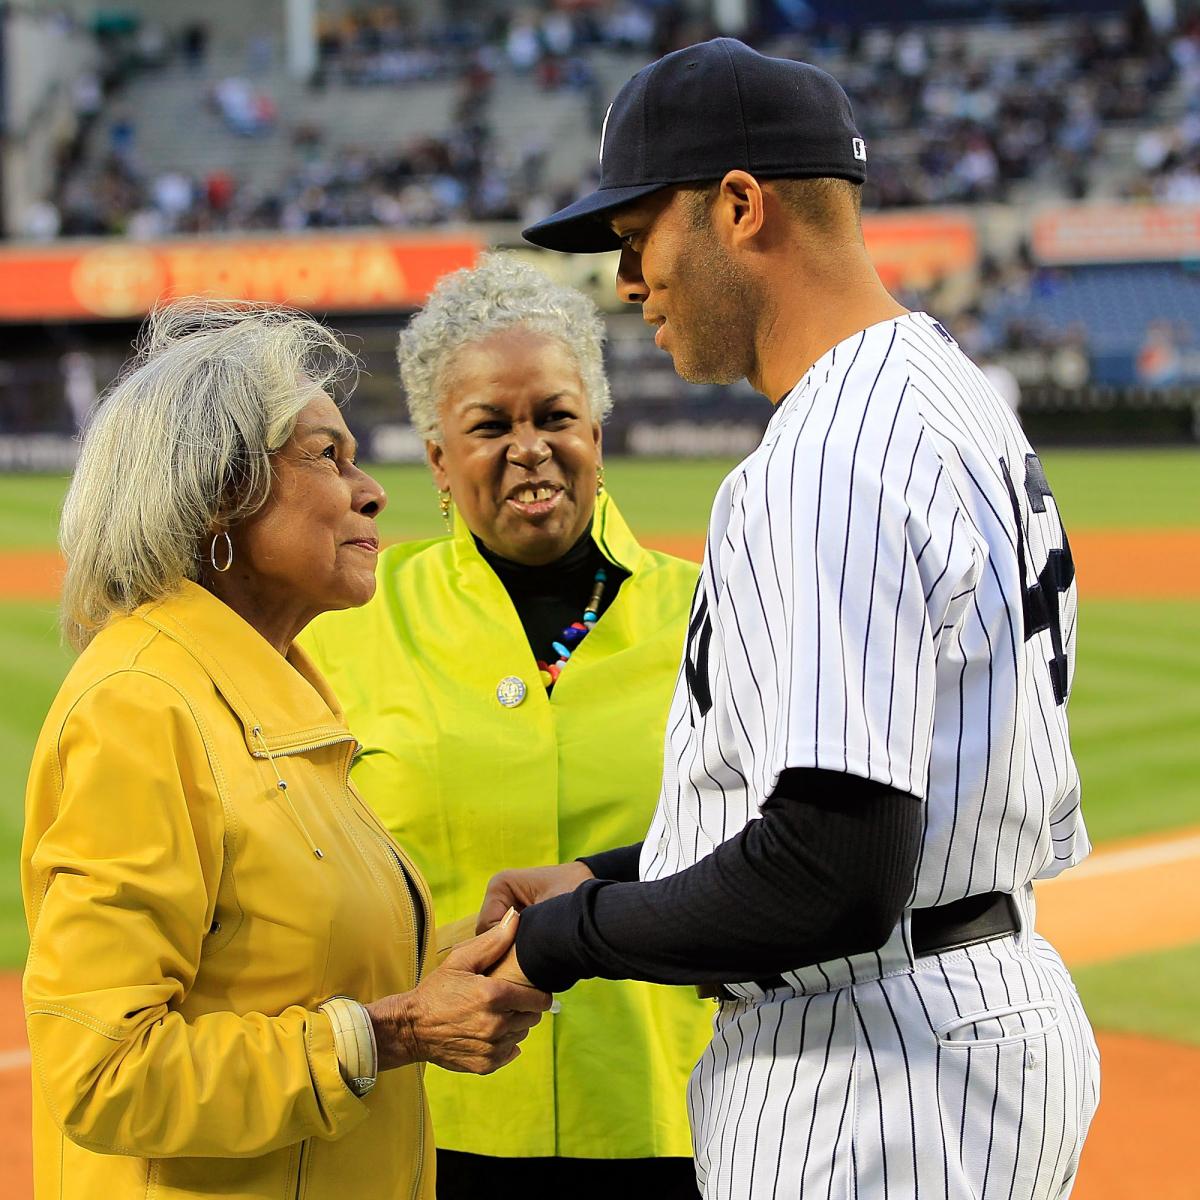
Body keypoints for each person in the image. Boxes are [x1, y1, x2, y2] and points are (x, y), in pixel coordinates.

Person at [481, 37, 1101, 1199]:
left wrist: (566, 943)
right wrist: (614, 875)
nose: (626, 283)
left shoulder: (825, 459)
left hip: (871, 1071)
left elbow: (832, 869)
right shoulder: (948, 391)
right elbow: (855, 798)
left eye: (636, 240)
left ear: (739, 206)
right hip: (962, 1024)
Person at [22, 301, 550, 1200]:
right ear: (220, 490)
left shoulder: (265, 690)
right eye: (325, 457)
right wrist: (395, 1036)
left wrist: (476, 948)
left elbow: (278, 972)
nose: (371, 490)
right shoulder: (143, 708)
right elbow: (105, 1074)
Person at [300, 253, 711, 1198]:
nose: (528, 446)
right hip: (424, 1122)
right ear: (438, 458)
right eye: (489, 425)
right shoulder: (346, 621)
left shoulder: (716, 613)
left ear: (597, 434)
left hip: (675, 1119)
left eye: (554, 417)